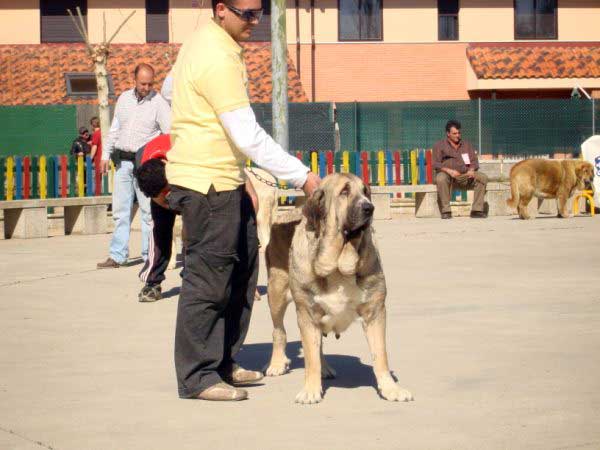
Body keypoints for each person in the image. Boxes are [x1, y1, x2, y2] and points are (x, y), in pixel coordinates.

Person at [166, 0, 320, 402]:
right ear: (221, 9)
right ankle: (198, 377)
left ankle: (222, 363)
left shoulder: (204, 42)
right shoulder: (215, 56)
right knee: (208, 281)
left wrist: (238, 174)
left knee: (243, 272)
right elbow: (248, 135)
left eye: (260, 12)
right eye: (247, 13)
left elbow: (171, 91)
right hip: (206, 186)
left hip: (225, 179)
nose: (256, 21)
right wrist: (302, 176)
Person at [135, 134, 260, 304]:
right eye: (163, 196)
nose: (168, 198)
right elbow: (156, 193)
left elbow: (250, 196)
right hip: (170, 179)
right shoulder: (145, 167)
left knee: (202, 234)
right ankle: (152, 282)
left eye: (168, 192)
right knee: (159, 232)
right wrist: (164, 202)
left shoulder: (192, 154)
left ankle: (193, 278)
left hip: (195, 185)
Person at [97, 63, 171, 269]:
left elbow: (168, 133)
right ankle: (117, 255)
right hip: (122, 162)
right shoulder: (124, 99)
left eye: (150, 83)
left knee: (148, 213)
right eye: (142, 83)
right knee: (121, 211)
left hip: (145, 165)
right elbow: (114, 130)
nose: (146, 87)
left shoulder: (159, 104)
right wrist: (105, 156)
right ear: (134, 80)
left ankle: (149, 256)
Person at [432, 120, 488, 219]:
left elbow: (474, 161)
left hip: (465, 176)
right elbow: (435, 163)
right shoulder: (439, 145)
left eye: (459, 133)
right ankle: (446, 211)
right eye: (454, 133)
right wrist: (449, 171)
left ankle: (476, 210)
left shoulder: (467, 145)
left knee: (482, 177)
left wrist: (471, 169)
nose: (458, 135)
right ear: (448, 134)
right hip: (447, 175)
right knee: (440, 178)